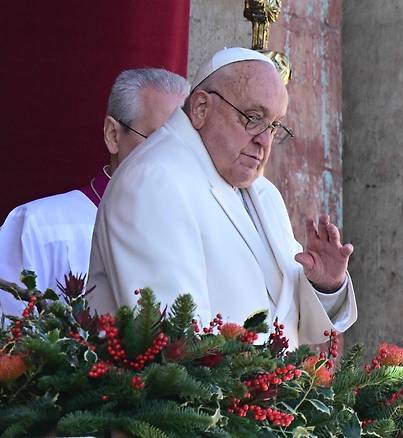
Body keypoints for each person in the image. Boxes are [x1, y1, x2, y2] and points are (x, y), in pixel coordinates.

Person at [88, 48, 357, 348]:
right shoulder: (154, 180)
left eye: (274, 125)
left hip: (268, 392)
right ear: (201, 108)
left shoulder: (263, 193)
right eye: (252, 118)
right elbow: (174, 344)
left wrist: (325, 284)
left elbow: (292, 323)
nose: (264, 140)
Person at [0, 68, 189, 316]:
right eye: (158, 140)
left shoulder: (194, 231)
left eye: (186, 144)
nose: (176, 158)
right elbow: (12, 343)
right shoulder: (39, 228)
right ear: (113, 135)